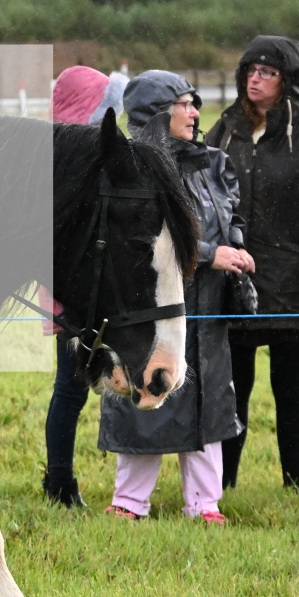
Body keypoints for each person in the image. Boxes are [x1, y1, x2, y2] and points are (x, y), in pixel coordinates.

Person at [97, 71, 248, 522]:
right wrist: (210, 255)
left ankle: (204, 504)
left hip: (208, 310)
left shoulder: (213, 163)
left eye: (193, 103)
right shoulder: (131, 167)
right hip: (149, 307)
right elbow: (144, 235)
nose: (195, 113)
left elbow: (232, 213)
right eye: (184, 104)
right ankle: (129, 502)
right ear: (157, 114)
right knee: (146, 396)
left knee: (207, 404)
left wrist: (236, 245)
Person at [204, 36, 299, 492]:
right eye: (250, 70)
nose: (256, 79)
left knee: (291, 388)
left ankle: (295, 487)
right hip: (235, 283)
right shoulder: (225, 130)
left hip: (296, 283)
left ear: (288, 81)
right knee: (233, 389)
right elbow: (203, 202)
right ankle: (224, 484)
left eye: (267, 72)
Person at [40, 65, 126, 507]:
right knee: (70, 388)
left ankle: (62, 479)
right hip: (70, 294)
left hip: (89, 290)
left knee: (74, 388)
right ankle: (59, 481)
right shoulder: (62, 164)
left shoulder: (82, 156)